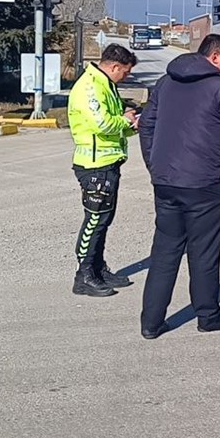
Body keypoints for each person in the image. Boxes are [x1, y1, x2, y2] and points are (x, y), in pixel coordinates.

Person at [137, 34, 220, 340]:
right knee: (204, 253)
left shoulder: (166, 83)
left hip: (166, 182)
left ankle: (151, 323)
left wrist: (155, 165)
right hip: (205, 184)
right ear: (215, 57)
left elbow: (146, 125)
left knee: (164, 252)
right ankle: (208, 315)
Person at [67, 43, 140, 298]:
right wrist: (125, 120)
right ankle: (84, 275)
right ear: (114, 66)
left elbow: (115, 120)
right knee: (95, 221)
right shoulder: (90, 87)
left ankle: (98, 268)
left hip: (108, 163)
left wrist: (130, 125)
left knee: (104, 221)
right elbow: (101, 122)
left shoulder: (105, 84)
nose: (127, 77)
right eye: (126, 72)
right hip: (94, 166)